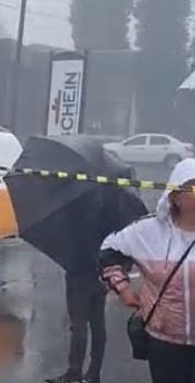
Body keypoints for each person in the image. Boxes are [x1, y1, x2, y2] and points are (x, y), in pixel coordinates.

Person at [100, 158, 195, 383]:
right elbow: (108, 253)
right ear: (176, 197)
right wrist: (123, 289)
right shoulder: (148, 232)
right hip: (164, 343)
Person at [45, 193, 107, 383]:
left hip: (79, 273)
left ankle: (74, 372)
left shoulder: (75, 205)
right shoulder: (110, 207)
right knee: (98, 324)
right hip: (101, 273)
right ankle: (94, 372)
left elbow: (64, 237)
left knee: (79, 325)